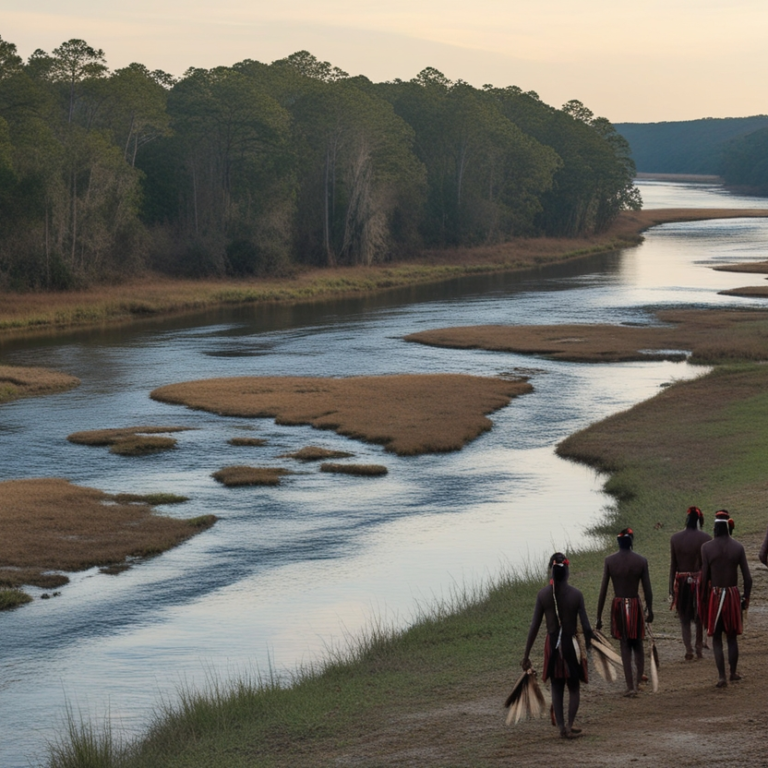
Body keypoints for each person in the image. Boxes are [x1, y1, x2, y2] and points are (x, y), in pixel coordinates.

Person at [521, 552, 593, 739]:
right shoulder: (576, 595)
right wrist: (591, 647)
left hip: (552, 646)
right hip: (571, 645)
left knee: (557, 686)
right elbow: (586, 626)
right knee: (574, 686)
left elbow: (534, 627)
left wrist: (526, 655)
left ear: (551, 572)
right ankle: (569, 724)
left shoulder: (543, 595)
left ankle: (562, 727)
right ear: (567, 571)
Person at [596, 528, 653, 697]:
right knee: (638, 644)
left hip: (619, 605)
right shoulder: (640, 561)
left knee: (625, 645)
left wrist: (598, 617)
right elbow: (647, 589)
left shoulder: (610, 561)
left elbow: (603, 590)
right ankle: (636, 683)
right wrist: (650, 609)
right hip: (635, 605)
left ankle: (630, 687)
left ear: (618, 543)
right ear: (631, 542)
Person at [700, 510, 752, 687]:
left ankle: (721, 676)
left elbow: (704, 578)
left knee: (716, 638)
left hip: (715, 596)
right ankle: (733, 673)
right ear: (728, 528)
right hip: (732, 596)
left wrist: (703, 601)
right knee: (731, 637)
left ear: (715, 528)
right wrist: (745, 599)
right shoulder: (738, 548)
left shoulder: (706, 548)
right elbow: (748, 579)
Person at [669, 506, 711, 660]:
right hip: (699, 583)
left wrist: (671, 589)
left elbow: (673, 565)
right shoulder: (706, 538)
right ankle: (698, 648)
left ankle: (689, 649)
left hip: (681, 582)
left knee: (684, 618)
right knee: (699, 616)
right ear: (699, 521)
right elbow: (707, 566)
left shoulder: (675, 538)